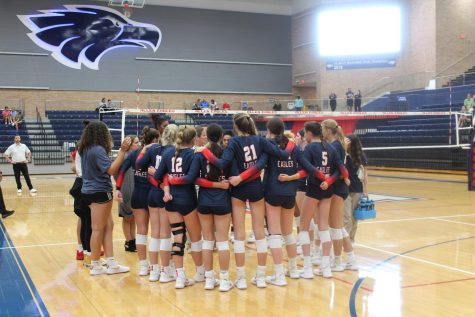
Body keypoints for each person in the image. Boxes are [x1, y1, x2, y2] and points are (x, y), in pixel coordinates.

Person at [197, 113, 295, 289]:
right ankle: (261, 276)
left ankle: (241, 278)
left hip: (239, 189)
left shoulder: (234, 142)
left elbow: (221, 164)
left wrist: (204, 151)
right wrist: (292, 144)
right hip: (256, 186)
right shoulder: (259, 140)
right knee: (259, 232)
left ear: (236, 127)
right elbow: (281, 154)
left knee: (240, 234)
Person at [168, 124, 233, 291]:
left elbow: (195, 179)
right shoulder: (226, 152)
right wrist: (220, 185)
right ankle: (224, 280)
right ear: (221, 136)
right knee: (223, 241)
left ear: (206, 136)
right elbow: (229, 175)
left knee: (207, 240)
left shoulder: (198, 154)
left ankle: (209, 279)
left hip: (204, 201)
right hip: (222, 201)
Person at [152, 125, 205, 289]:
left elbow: (157, 176)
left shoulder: (168, 153)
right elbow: (190, 179)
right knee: (195, 238)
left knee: (178, 238)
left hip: (171, 202)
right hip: (188, 201)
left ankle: (180, 277)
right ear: (194, 139)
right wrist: (175, 180)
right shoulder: (194, 155)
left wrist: (168, 184)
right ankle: (200, 272)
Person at [78, 121, 131, 276]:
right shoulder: (98, 150)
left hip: (88, 191)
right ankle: (95, 265)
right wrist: (122, 152)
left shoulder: (85, 149)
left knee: (108, 226)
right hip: (99, 191)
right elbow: (111, 170)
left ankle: (111, 262)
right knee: (98, 229)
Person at [136, 124, 179, 283]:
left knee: (155, 233)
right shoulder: (174, 151)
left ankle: (154, 271)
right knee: (166, 234)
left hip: (152, 193)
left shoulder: (154, 149)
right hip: (166, 194)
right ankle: (165, 271)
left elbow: (139, 165)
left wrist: (144, 151)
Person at [116, 128, 158, 277]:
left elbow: (121, 170)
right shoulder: (156, 152)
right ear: (155, 140)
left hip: (138, 194)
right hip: (153, 194)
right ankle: (156, 268)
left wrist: (118, 188)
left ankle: (143, 266)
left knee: (141, 230)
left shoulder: (134, 154)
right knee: (156, 231)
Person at [263, 118, 301, 285]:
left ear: (270, 130)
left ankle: (279, 275)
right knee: (288, 233)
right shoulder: (294, 146)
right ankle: (293, 270)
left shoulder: (269, 146)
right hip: (290, 192)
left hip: (273, 191)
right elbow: (301, 167)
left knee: (275, 233)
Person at [322, 119, 356, 272]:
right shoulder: (337, 145)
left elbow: (338, 170)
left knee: (335, 227)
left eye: (322, 128)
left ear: (328, 130)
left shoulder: (334, 146)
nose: (321, 131)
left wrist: (328, 181)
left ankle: (338, 262)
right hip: (338, 187)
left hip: (337, 187)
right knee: (338, 227)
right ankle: (350, 260)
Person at [115, 135, 140, 253]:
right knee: (127, 218)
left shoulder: (138, 157)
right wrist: (120, 186)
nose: (138, 144)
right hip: (125, 190)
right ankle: (128, 242)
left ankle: (133, 240)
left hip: (135, 190)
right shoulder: (122, 157)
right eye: (136, 142)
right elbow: (114, 172)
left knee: (133, 217)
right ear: (130, 145)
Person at [344, 134, 368, 245]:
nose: (345, 142)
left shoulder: (360, 156)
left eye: (348, 140)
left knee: (355, 217)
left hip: (357, 189)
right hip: (345, 189)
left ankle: (351, 239)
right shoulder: (343, 154)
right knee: (346, 217)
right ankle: (345, 240)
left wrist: (366, 191)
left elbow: (365, 174)